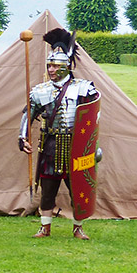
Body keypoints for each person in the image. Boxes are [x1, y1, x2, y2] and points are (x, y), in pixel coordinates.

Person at [18, 28, 100, 240]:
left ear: (66, 66)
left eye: (55, 65)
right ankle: (45, 227)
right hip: (51, 144)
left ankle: (78, 227)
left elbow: (93, 118)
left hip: (75, 145)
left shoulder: (83, 88)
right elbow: (28, 114)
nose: (51, 69)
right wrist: (22, 137)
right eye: (49, 65)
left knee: (78, 188)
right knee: (48, 189)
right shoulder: (40, 91)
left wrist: (90, 147)